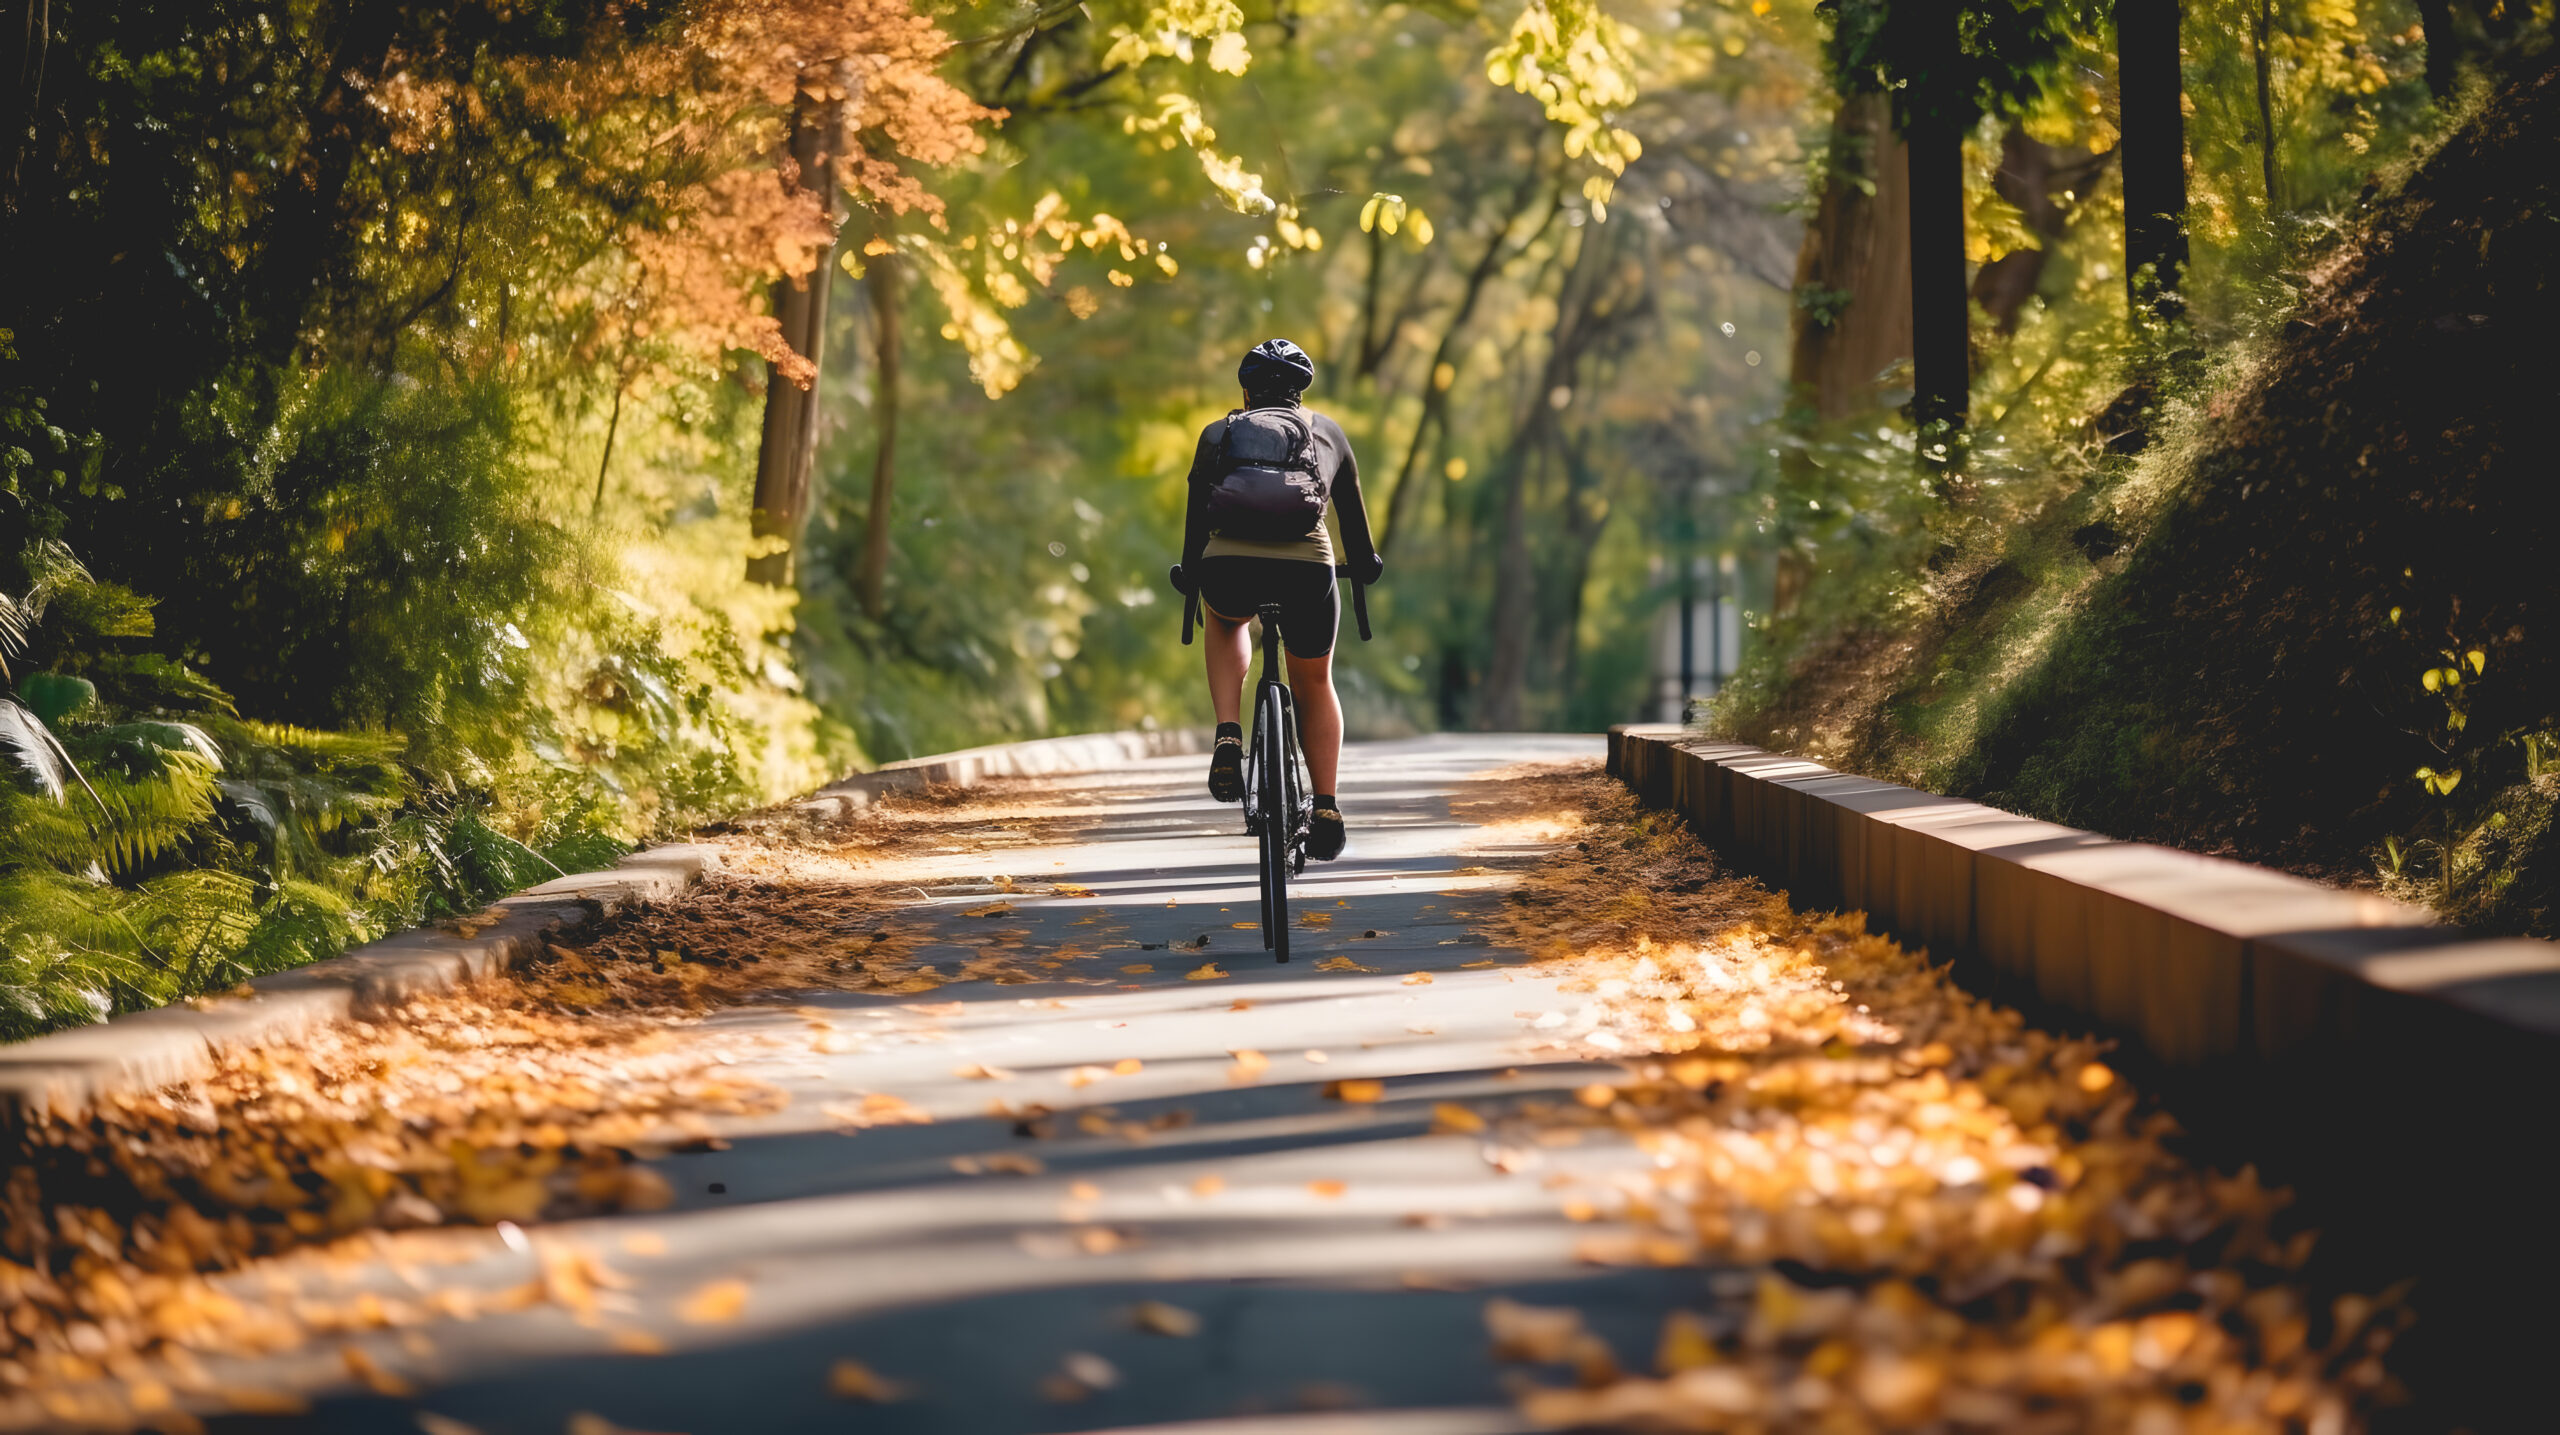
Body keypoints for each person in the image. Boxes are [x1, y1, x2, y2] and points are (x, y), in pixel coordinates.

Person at [1169, 339, 1382, 861]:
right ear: (1301, 390)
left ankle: (1227, 734)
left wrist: (1192, 574)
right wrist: (1365, 567)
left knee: (1224, 620)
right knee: (1313, 679)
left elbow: (1198, 523)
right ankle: (1327, 805)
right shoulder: (1326, 432)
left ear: (1246, 391)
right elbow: (1354, 529)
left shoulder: (1218, 433)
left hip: (1230, 570)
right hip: (1307, 572)